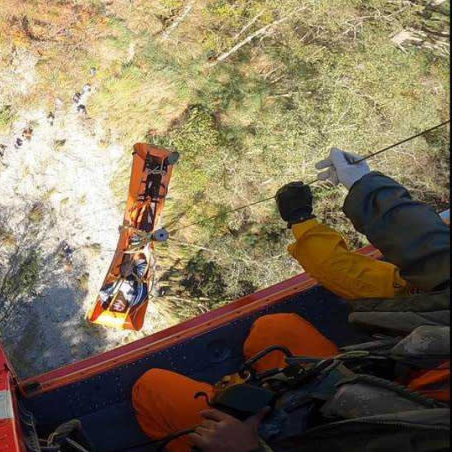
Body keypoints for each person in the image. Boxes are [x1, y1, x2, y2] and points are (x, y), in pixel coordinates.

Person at [132, 147, 449, 452]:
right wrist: (361, 187)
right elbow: (434, 264)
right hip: (354, 388)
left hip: (317, 437)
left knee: (152, 389)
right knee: (274, 330)